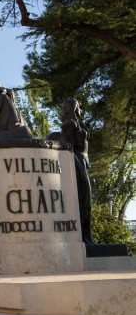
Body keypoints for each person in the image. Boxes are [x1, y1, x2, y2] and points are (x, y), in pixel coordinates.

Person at [47, 99, 95, 244]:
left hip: (81, 164)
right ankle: (83, 238)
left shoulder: (77, 125)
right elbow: (68, 148)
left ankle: (86, 237)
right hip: (77, 165)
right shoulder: (70, 125)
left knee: (85, 202)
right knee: (82, 201)